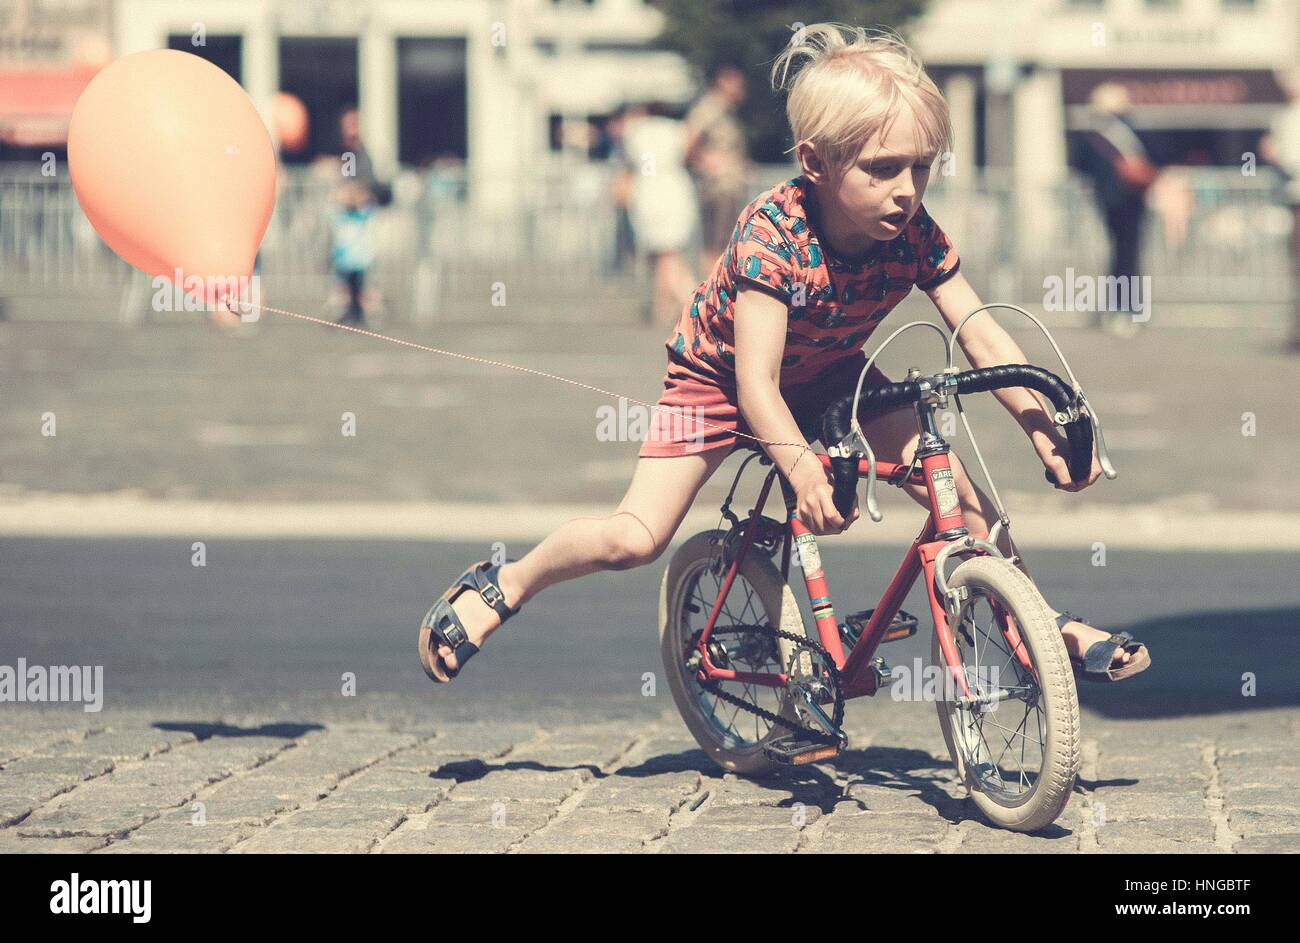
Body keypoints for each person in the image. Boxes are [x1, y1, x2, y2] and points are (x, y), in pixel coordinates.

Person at [418, 24, 1149, 687]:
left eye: (922, 168)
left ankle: (1036, 628)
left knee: (950, 487)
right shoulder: (775, 235)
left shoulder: (915, 230)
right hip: (717, 381)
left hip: (830, 371)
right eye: (884, 168)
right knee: (632, 538)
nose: (906, 191)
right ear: (817, 162)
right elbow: (755, 384)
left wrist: (1038, 423)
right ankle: (505, 584)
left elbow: (983, 332)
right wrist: (800, 466)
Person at [1074, 83, 1158, 336]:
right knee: (1128, 258)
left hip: (1115, 203)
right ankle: (1126, 309)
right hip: (1128, 203)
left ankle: (1122, 309)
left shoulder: (1096, 136)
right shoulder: (1124, 133)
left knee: (1123, 258)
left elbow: (1083, 168)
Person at [622, 100, 701, 323]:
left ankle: (673, 304)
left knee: (662, 254)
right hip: (674, 187)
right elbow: (687, 155)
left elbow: (644, 163)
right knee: (668, 253)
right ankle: (670, 303)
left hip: (649, 188)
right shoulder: (677, 129)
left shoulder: (637, 131)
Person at [684, 64, 752, 274]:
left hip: (729, 186)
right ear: (723, 82)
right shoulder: (709, 108)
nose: (741, 90)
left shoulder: (727, 112)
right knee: (716, 246)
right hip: (718, 187)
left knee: (726, 244)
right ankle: (711, 298)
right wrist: (707, 163)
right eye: (737, 84)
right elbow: (688, 144)